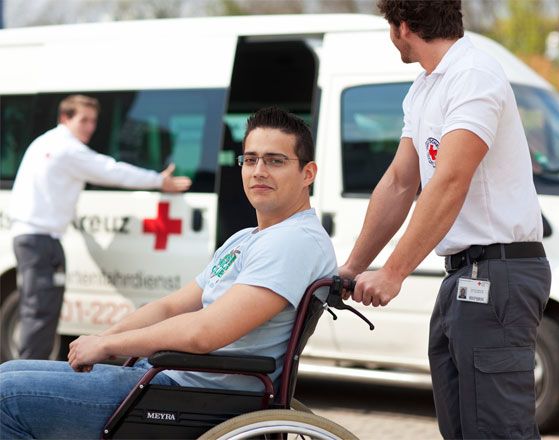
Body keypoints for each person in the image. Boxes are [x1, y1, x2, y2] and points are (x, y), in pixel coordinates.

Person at [0, 106, 336, 439]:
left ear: (308, 173)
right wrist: (103, 340)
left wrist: (110, 346)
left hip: (189, 394)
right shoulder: (247, 238)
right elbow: (171, 307)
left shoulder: (292, 242)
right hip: (169, 377)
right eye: (250, 159)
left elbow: (204, 332)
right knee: (9, 371)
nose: (258, 171)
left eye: (275, 160)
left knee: (6, 396)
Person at [339, 1, 551, 439]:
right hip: (464, 276)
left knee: (497, 432)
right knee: (460, 429)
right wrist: (353, 267)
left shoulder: (474, 76)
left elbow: (451, 179)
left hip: (499, 272)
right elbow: (400, 182)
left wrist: (394, 272)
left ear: (402, 27)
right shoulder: (424, 88)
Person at [9, 94, 192, 360]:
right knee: (40, 312)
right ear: (65, 118)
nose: (90, 127)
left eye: (93, 121)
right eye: (83, 120)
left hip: (36, 238)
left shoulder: (46, 142)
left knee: (41, 310)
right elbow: (110, 170)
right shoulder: (67, 148)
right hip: (40, 240)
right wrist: (158, 180)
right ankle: (25, 375)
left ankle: (29, 369)